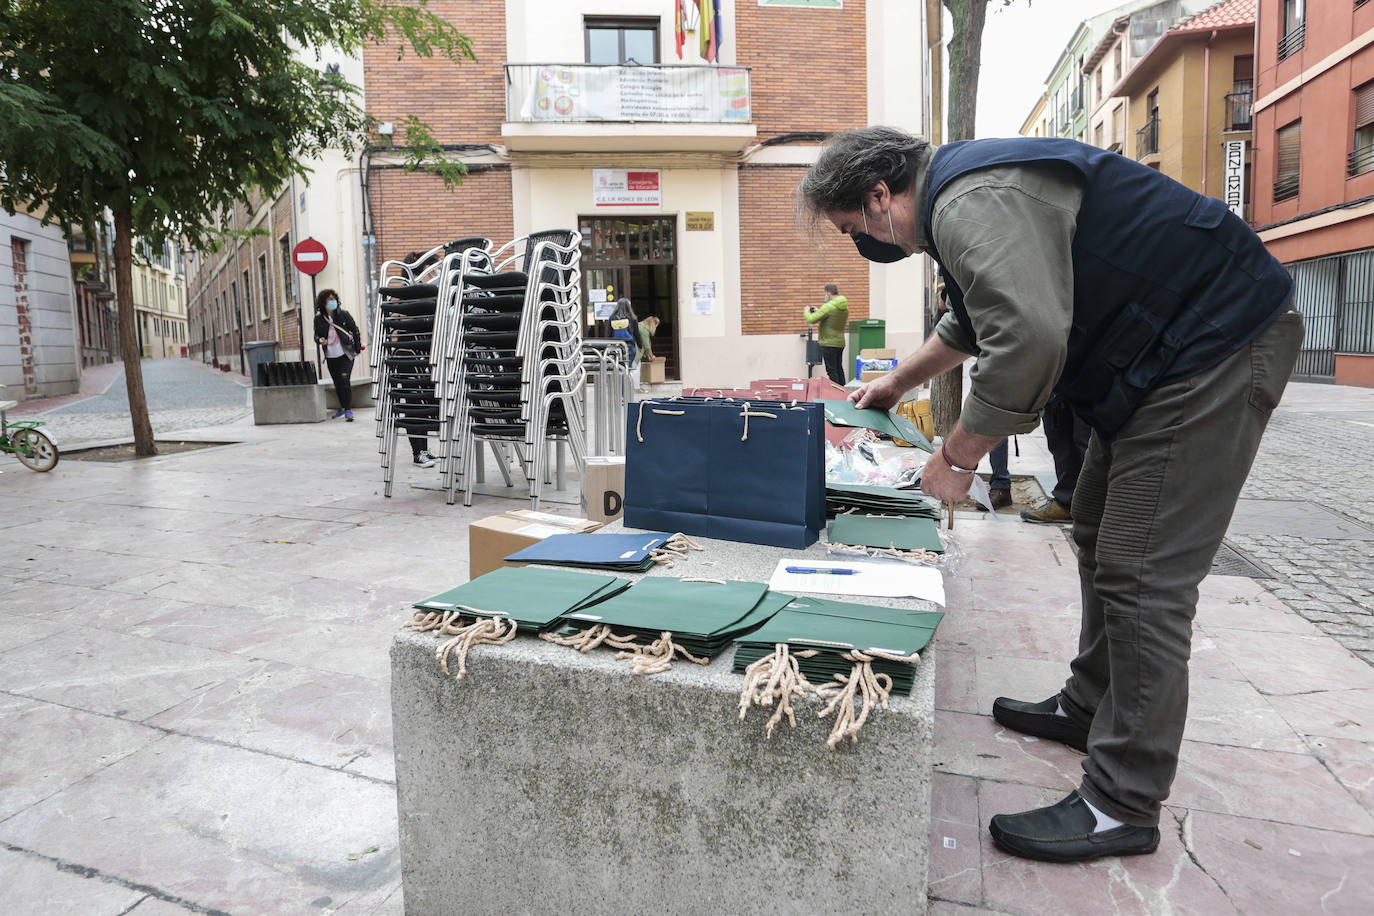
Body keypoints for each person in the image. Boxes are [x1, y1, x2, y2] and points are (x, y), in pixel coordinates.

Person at [800, 127, 1302, 863]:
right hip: (1163, 355)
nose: (863, 244)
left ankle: (1121, 801)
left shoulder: (969, 202)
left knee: (1142, 572)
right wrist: (897, 383)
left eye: (854, 229)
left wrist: (957, 457)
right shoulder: (959, 198)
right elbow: (971, 321)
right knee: (1095, 524)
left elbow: (1027, 338)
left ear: (880, 195)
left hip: (1214, 343)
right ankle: (1089, 704)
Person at [1021, 394, 1091, 524]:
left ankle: (1091, 506)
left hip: (1090, 389)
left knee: (1086, 441)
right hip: (1057, 388)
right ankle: (1065, 502)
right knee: (1059, 437)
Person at [313, 289, 364, 422]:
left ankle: (348, 410)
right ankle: (342, 407)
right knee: (338, 383)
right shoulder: (318, 318)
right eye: (330, 299)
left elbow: (355, 330)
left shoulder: (344, 314)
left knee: (344, 380)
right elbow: (316, 335)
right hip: (331, 356)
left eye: (334, 299)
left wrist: (357, 348)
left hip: (345, 353)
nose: (333, 301)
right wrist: (319, 340)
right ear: (323, 303)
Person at [804, 283, 849, 385]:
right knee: (839, 369)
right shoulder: (844, 307)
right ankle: (843, 391)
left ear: (828, 293)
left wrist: (806, 311)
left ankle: (835, 393)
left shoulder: (828, 307)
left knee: (831, 371)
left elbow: (811, 319)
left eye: (825, 293)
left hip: (828, 343)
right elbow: (832, 317)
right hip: (840, 342)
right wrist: (819, 311)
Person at [609, 297, 640, 387]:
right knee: (627, 369)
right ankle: (625, 392)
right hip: (629, 347)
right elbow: (637, 334)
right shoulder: (632, 318)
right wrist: (640, 346)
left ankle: (619, 391)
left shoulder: (613, 318)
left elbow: (608, 334)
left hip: (616, 348)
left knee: (618, 369)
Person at [637, 315, 662, 386]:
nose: (655, 328)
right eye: (656, 326)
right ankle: (636, 387)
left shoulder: (641, 326)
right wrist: (651, 355)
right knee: (636, 369)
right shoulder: (644, 329)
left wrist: (648, 354)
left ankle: (636, 386)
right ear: (653, 324)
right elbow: (646, 344)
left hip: (635, 350)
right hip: (636, 352)